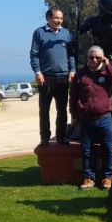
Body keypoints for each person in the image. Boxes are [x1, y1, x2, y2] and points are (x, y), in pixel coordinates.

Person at [69, 46, 112, 190]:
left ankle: (107, 177)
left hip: (104, 118)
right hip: (85, 119)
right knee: (86, 150)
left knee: (107, 149)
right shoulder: (81, 74)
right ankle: (88, 178)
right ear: (87, 58)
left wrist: (108, 65)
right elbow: (73, 96)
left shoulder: (108, 72)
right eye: (91, 57)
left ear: (103, 58)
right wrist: (74, 115)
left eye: (98, 57)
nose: (94, 60)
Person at [74, 0, 112, 110]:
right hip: (95, 56)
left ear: (105, 10)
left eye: (100, 7)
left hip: (111, 58)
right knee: (85, 80)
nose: (98, 9)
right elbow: (78, 32)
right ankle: (85, 108)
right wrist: (73, 37)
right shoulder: (92, 21)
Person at [30, 8, 76, 146]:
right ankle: (45, 137)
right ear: (48, 18)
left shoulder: (66, 33)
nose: (59, 21)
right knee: (44, 110)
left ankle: (61, 136)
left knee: (62, 110)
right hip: (45, 77)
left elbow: (71, 54)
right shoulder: (39, 32)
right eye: (56, 18)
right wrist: (37, 72)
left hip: (62, 77)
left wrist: (72, 69)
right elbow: (34, 54)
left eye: (61, 18)